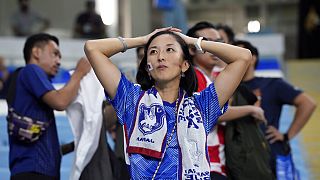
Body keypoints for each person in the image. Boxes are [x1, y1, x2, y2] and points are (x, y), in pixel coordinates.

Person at [84, 27, 251, 179]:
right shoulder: (131, 100)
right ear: (148, 67)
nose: (161, 57)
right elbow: (93, 48)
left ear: (185, 65)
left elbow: (243, 57)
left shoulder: (202, 106)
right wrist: (144, 39)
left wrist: (192, 42)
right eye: (153, 52)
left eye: (170, 50)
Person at [187, 21, 269, 180]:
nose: (214, 47)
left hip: (217, 161)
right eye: (206, 42)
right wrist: (251, 109)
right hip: (205, 164)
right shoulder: (194, 78)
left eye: (218, 42)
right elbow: (212, 113)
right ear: (191, 48)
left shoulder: (214, 76)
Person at [6, 33, 91, 179]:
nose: (58, 61)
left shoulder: (25, 85)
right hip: (34, 173)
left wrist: (75, 144)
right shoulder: (31, 71)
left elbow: (39, 143)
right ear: (36, 52)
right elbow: (60, 102)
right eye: (55, 54)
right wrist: (79, 72)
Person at [233, 40, 317, 177]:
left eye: (238, 52)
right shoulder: (227, 88)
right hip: (238, 156)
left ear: (253, 58)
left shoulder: (272, 84)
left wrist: (287, 135)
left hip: (269, 154)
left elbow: (308, 103)